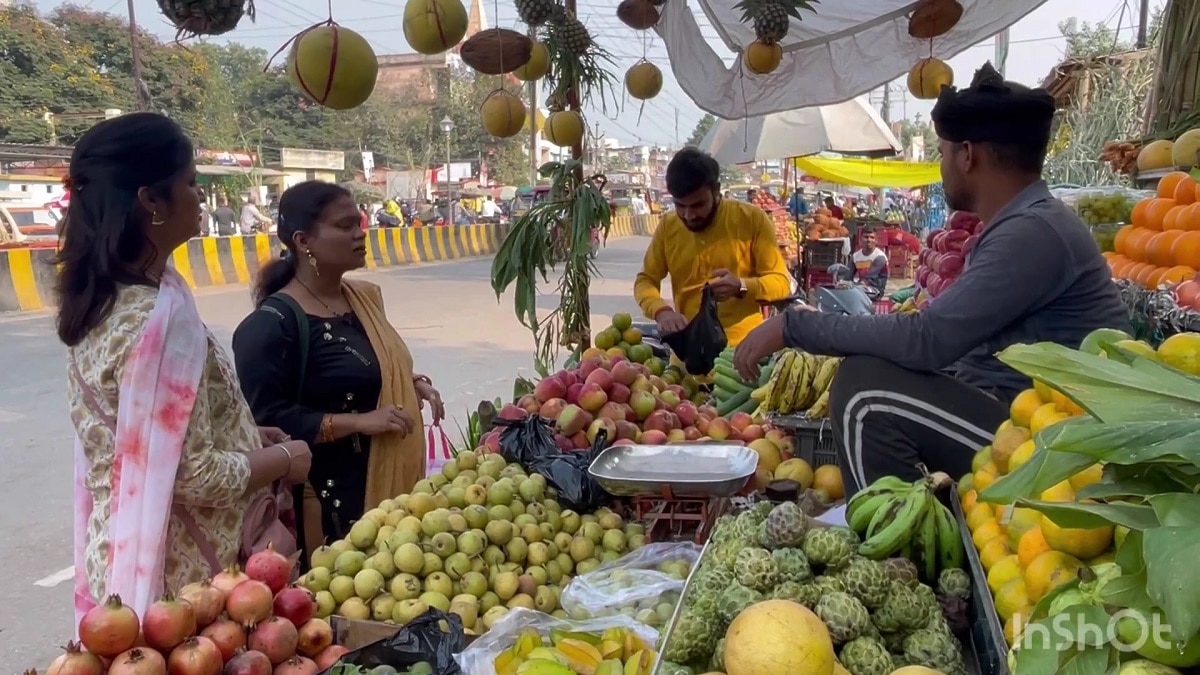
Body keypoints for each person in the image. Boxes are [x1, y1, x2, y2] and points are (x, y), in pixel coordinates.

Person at [732, 63, 1129, 494]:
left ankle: (890, 532)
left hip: (1056, 448)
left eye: (941, 153)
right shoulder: (1026, 224)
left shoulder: (1033, 233)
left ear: (967, 155)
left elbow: (928, 339)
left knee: (864, 390)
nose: (941, 167)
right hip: (1023, 420)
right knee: (874, 370)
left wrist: (795, 326)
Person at [56, 113, 311, 620]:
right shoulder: (155, 320)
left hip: (123, 547)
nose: (200, 198)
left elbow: (151, 438)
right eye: (191, 183)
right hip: (186, 579)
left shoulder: (109, 298)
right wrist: (287, 458)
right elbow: (194, 475)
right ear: (151, 200)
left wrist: (244, 433)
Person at [231, 180, 445, 553]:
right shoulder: (270, 327)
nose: (360, 234)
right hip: (321, 505)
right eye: (344, 226)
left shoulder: (362, 300)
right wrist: (358, 422)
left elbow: (366, 367)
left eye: (358, 223)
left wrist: (408, 383)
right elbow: (264, 421)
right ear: (303, 241)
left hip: (383, 498)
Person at [634, 147, 793, 347]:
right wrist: (660, 310)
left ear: (716, 190)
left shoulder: (752, 219)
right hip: (688, 352)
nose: (689, 216)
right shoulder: (668, 225)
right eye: (680, 206)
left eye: (698, 205)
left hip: (744, 352)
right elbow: (645, 280)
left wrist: (742, 286)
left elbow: (781, 283)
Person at [850, 228, 888, 297]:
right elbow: (848, 276)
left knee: (856, 291)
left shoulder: (880, 257)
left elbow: (869, 278)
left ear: (876, 241)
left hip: (876, 290)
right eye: (866, 237)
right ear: (860, 239)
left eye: (872, 237)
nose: (869, 240)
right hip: (861, 287)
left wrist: (856, 286)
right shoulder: (856, 256)